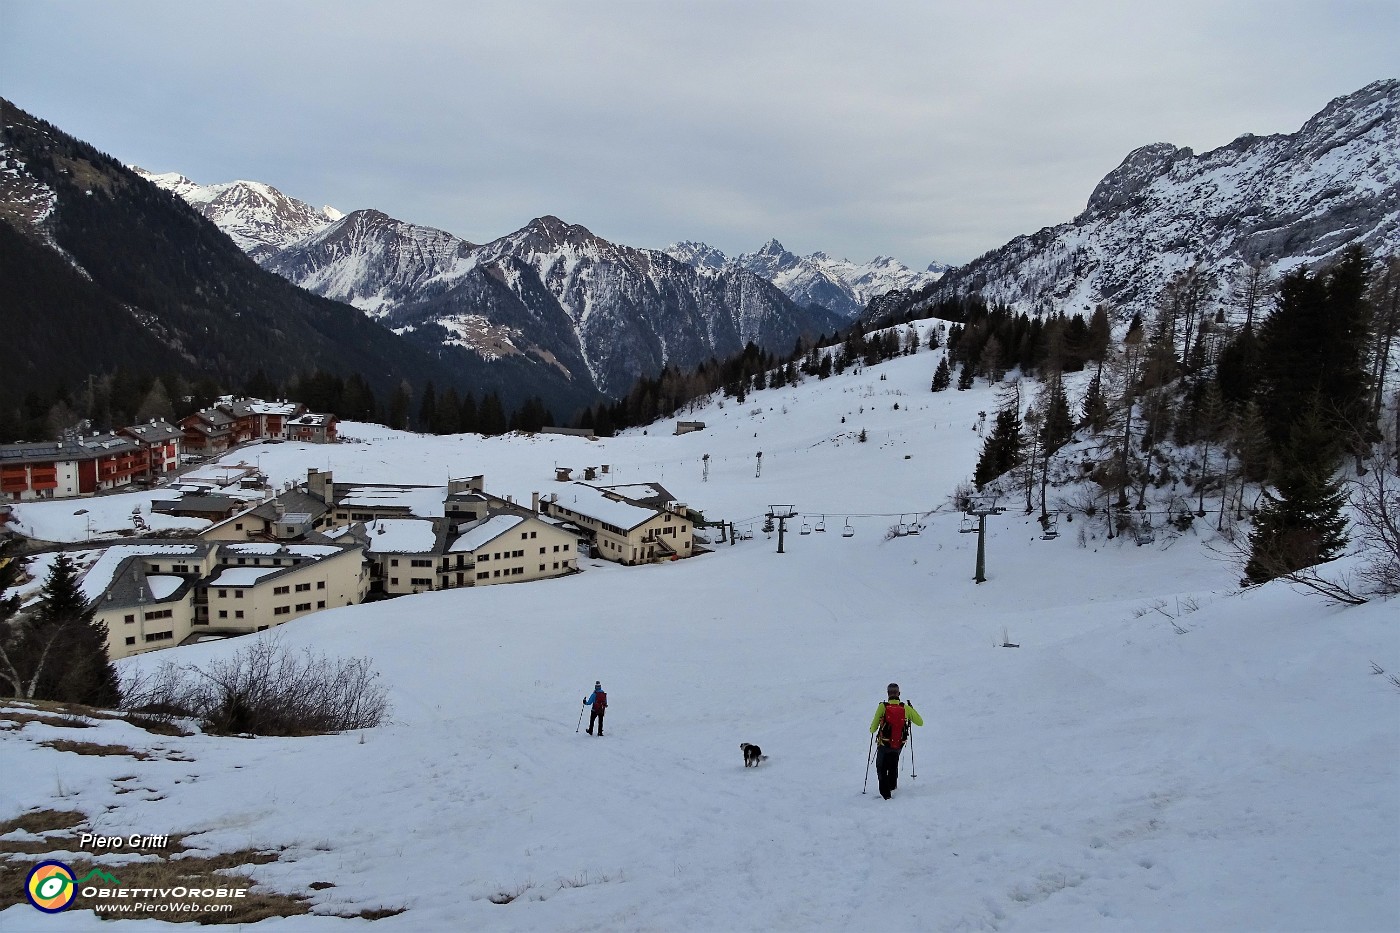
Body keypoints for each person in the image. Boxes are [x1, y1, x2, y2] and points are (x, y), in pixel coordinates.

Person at [869, 682, 923, 799]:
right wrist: (912, 709)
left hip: (884, 743)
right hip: (898, 744)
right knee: (893, 763)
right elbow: (920, 722)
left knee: (881, 767)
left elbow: (873, 729)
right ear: (899, 693)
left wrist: (873, 728)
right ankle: (892, 786)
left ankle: (885, 794)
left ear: (888, 694)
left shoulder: (883, 707)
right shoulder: (905, 708)